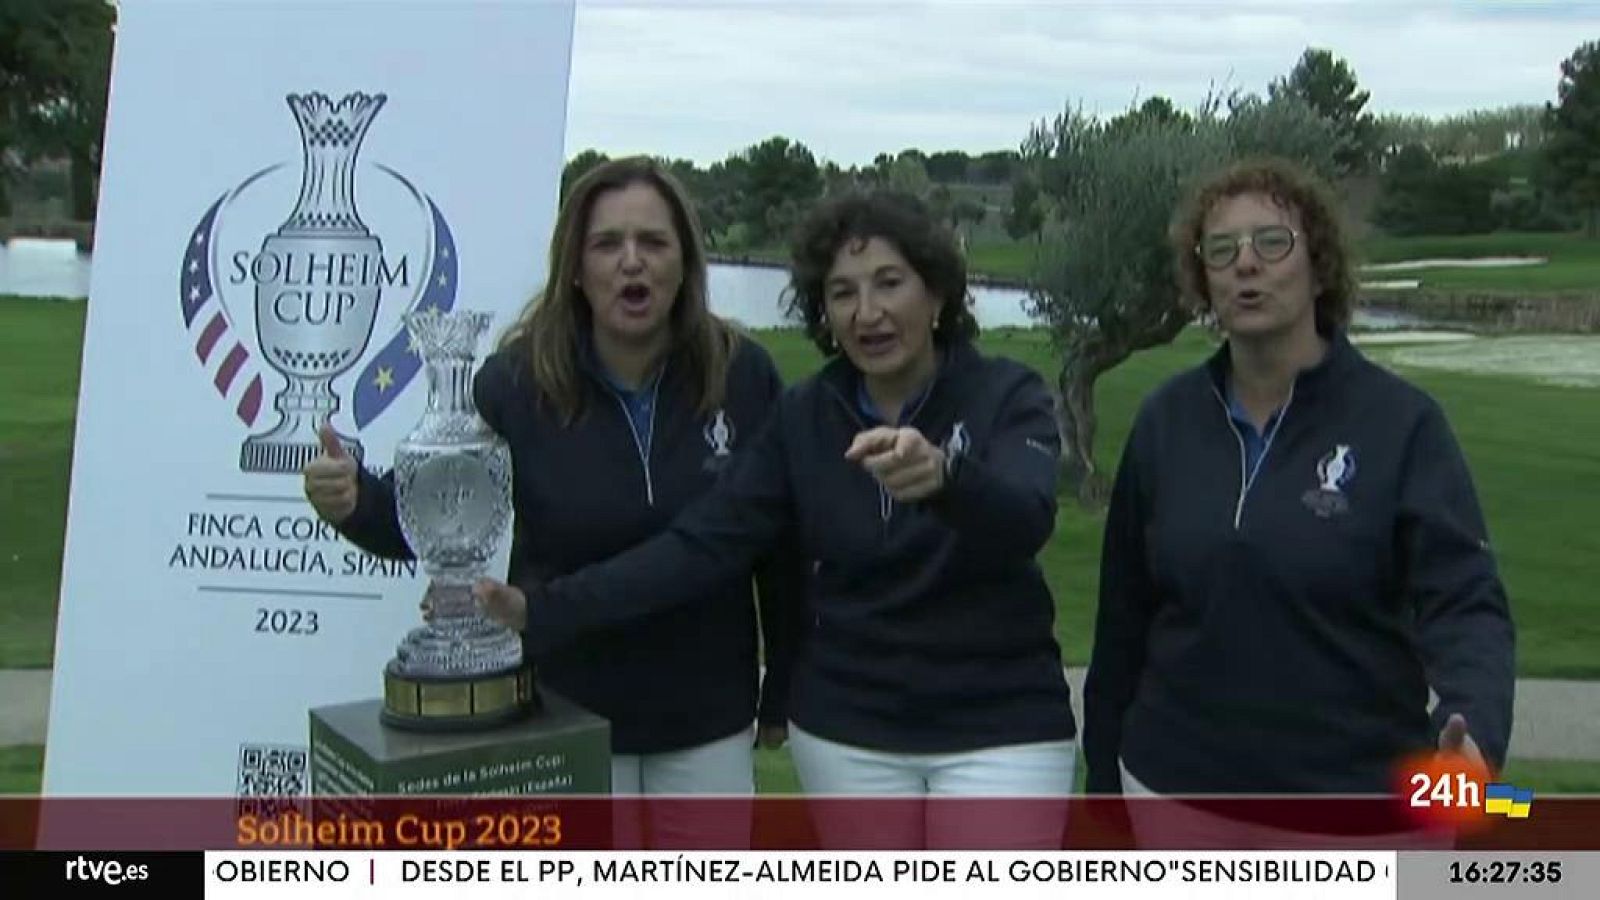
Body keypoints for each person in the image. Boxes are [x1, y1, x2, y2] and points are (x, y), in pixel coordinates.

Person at [472, 190, 1079, 850]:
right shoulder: (804, 417)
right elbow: (704, 545)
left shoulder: (1007, 394)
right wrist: (544, 608)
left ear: (936, 295)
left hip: (1001, 725)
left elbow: (1026, 517)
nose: (867, 312)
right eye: (842, 293)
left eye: (889, 284)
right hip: (852, 730)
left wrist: (947, 479)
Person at [302, 156, 802, 848]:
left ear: (685, 262)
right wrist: (356, 500)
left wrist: (781, 687)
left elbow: (777, 547)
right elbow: (449, 512)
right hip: (568, 709)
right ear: (574, 266)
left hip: (706, 715)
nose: (633, 263)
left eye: (654, 243)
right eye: (607, 244)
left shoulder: (743, 374)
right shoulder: (517, 380)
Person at [1081, 158, 1515, 845]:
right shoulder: (1167, 423)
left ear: (1319, 265)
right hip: (1177, 796)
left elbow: (1466, 604)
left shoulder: (1402, 425)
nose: (1245, 264)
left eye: (1271, 243)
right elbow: (1123, 624)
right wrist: (1103, 790)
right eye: (1221, 251)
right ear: (1204, 282)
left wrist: (1477, 733)